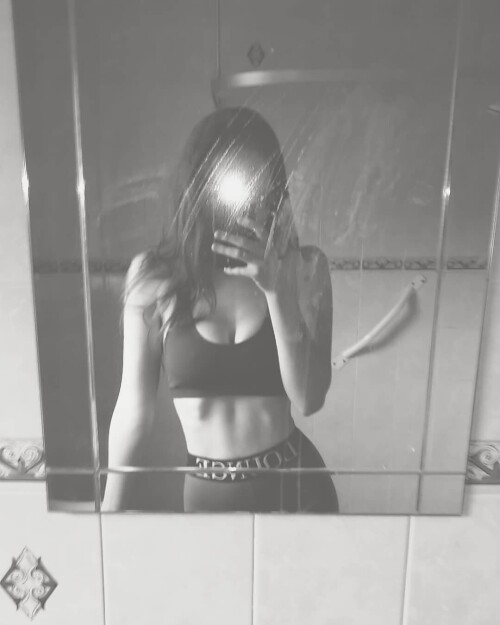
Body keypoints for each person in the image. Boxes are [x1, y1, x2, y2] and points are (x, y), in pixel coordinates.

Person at [102, 106, 338, 512]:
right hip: (207, 494)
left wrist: (277, 293)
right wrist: (110, 508)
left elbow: (309, 399)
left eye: (257, 180)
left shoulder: (304, 267)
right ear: (197, 187)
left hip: (298, 489)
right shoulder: (156, 275)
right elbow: (133, 408)